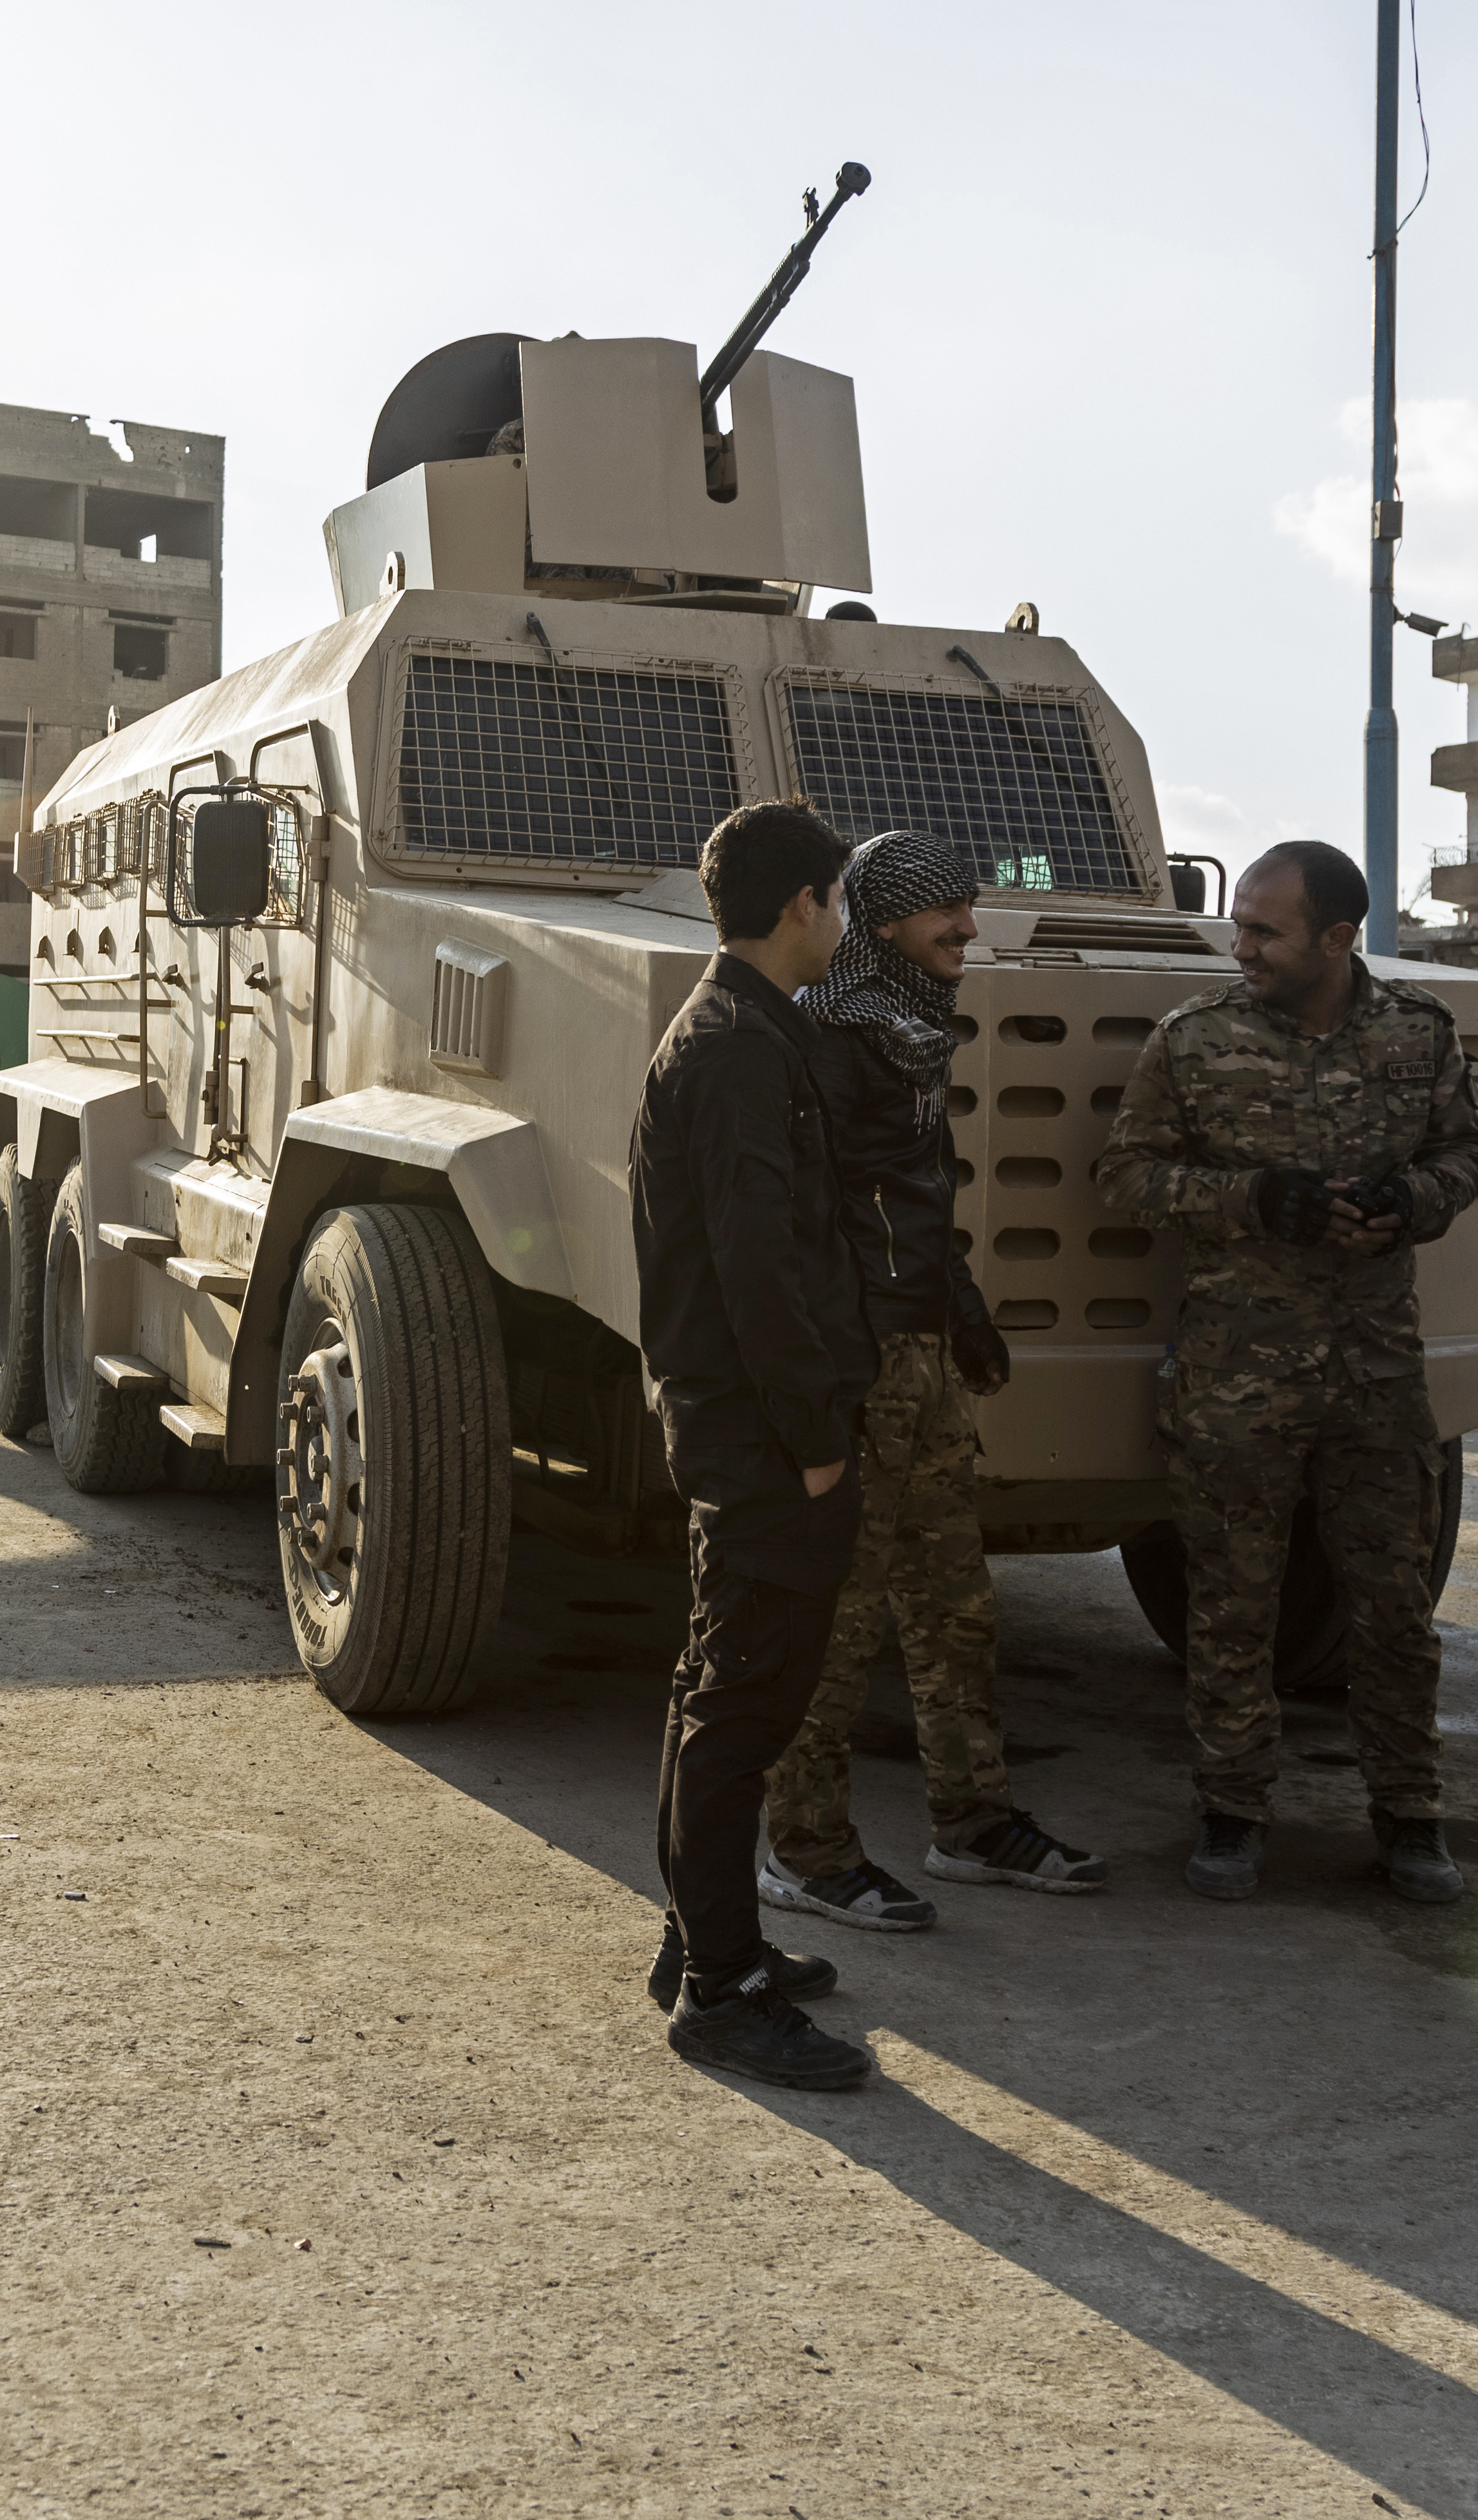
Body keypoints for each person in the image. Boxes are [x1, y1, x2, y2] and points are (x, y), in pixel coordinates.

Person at [1093, 837, 1478, 1906]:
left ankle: (1410, 1819)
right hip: (1236, 1374)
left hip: (1375, 1369)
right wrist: (1252, 1199)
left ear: (1336, 938)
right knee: (1232, 1604)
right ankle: (1231, 1818)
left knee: (1393, 1605)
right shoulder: (1196, 1039)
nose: (1243, 945)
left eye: (1266, 929)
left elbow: (1464, 1155)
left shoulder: (1421, 1034)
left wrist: (1409, 1204)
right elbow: (1127, 1175)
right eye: (1243, 924)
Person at [759, 833, 1110, 1937]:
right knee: (839, 1614)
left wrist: (960, 1314)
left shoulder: (903, 1034)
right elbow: (807, 1228)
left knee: (954, 1606)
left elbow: (912, 1204)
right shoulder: (830, 1044)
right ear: (883, 924)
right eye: (943, 912)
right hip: (864, 1367)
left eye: (968, 907)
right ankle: (803, 1848)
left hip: (924, 1360)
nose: (969, 929)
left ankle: (975, 1825)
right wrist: (837, 1369)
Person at [632, 801, 881, 2089]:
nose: (841, 923)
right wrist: (814, 1436)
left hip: (747, 1425)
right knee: (743, 1706)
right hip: (766, 1437)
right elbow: (758, 1268)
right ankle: (721, 1992)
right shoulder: (736, 1048)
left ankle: (704, 1939)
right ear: (806, 906)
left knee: (718, 1690)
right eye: (837, 900)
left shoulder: (741, 1028)